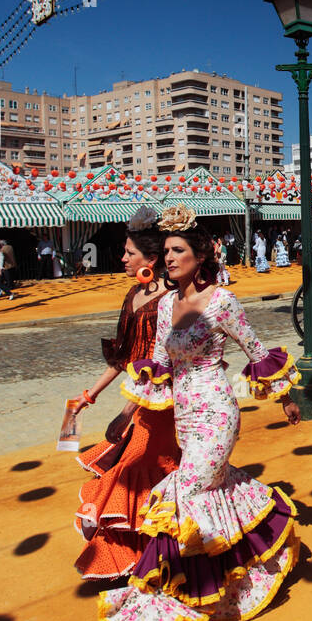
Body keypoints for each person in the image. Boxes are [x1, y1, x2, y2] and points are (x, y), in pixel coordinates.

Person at [95, 204, 302, 621]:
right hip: (185, 417)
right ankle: (235, 578)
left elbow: (256, 350)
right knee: (212, 494)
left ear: (200, 255)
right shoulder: (167, 304)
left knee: (183, 498)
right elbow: (161, 363)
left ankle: (161, 617)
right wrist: (133, 406)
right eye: (165, 251)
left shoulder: (223, 302)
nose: (168, 258)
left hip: (216, 412)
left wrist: (286, 396)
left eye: (177, 251)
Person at [71, 208, 180, 582]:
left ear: (150, 260)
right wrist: (90, 396)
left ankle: (167, 552)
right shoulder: (133, 294)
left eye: (128, 253)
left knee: (131, 468)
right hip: (136, 400)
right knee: (141, 473)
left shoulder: (170, 298)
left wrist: (126, 410)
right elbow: (123, 356)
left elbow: (160, 361)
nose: (122, 258)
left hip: (160, 400)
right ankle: (139, 557)